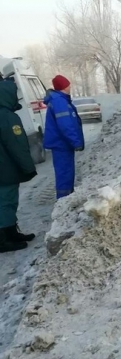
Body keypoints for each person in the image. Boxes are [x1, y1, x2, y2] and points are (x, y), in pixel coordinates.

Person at [0, 79, 37, 253]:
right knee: (5, 201)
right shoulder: (6, 116)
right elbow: (16, 145)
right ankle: (3, 239)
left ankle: (11, 232)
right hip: (4, 169)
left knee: (6, 201)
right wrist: (28, 167)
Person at [43, 75, 84, 200]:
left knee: (66, 173)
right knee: (64, 175)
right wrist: (76, 142)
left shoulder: (61, 99)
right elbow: (65, 125)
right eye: (68, 85)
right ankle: (63, 201)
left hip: (63, 144)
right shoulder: (59, 101)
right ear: (63, 87)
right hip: (62, 145)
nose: (70, 87)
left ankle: (66, 198)